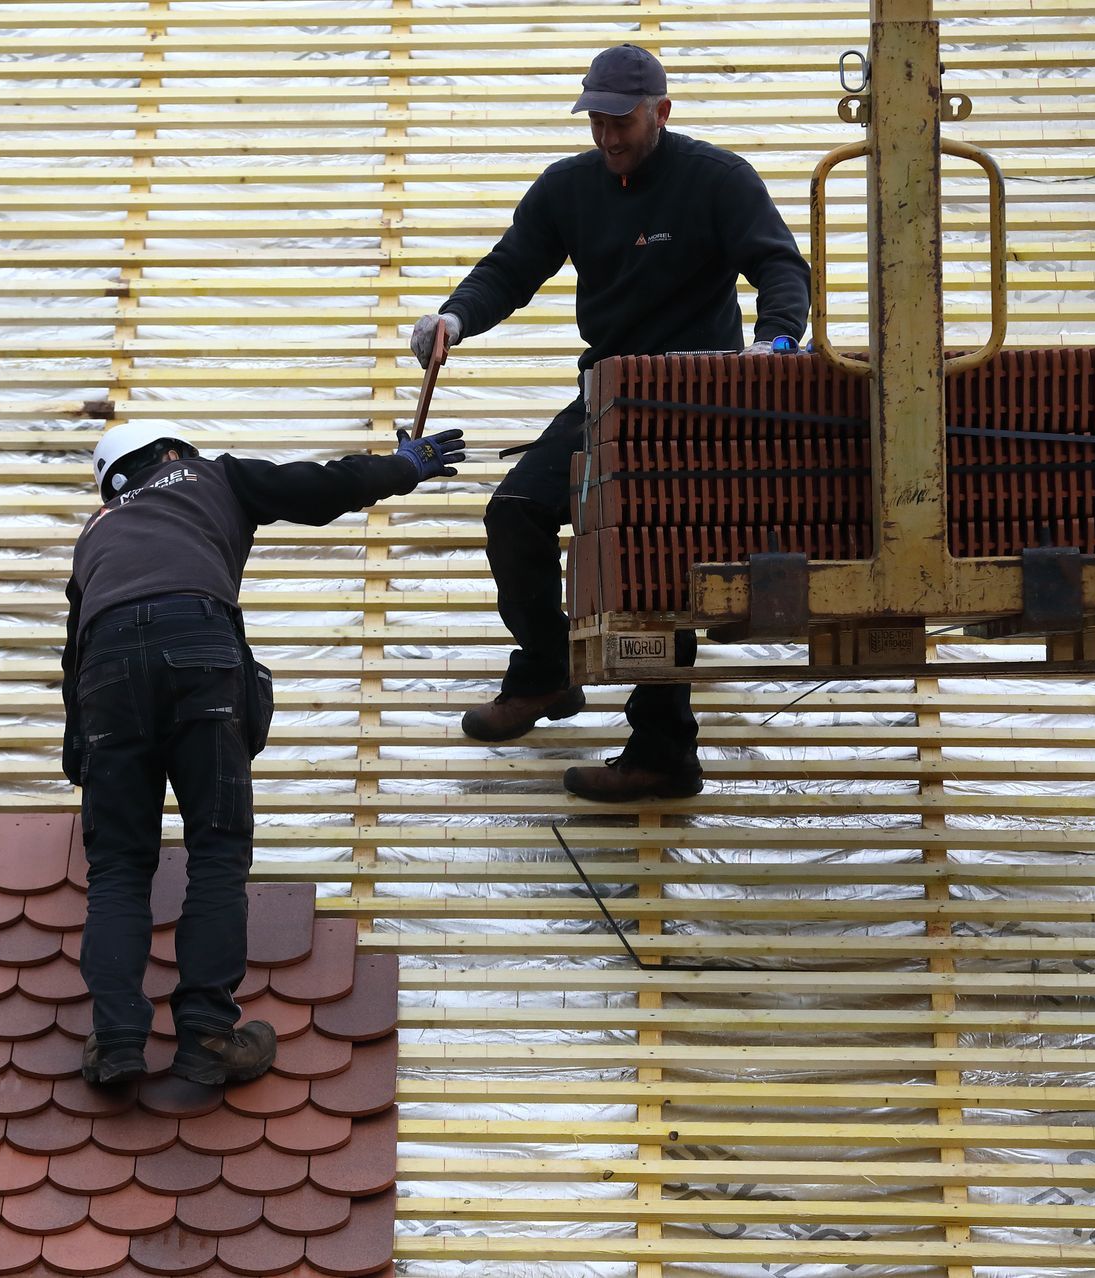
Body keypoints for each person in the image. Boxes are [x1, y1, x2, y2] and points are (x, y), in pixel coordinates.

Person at [410, 43, 810, 803]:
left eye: (622, 120)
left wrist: (775, 341)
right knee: (516, 513)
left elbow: (781, 266)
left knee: (654, 559)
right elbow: (509, 268)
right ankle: (548, 671)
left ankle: (663, 753)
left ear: (661, 110)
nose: (608, 136)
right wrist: (455, 319)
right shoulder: (570, 189)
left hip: (697, 398)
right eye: (596, 119)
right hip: (611, 388)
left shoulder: (716, 181)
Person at [62, 421, 467, 1086]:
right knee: (217, 851)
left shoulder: (94, 532)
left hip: (105, 676)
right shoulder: (209, 475)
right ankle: (207, 1038)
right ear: (168, 454)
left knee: (117, 870)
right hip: (196, 644)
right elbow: (317, 488)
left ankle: (117, 1043)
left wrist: (83, 749)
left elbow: (76, 653)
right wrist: (404, 466)